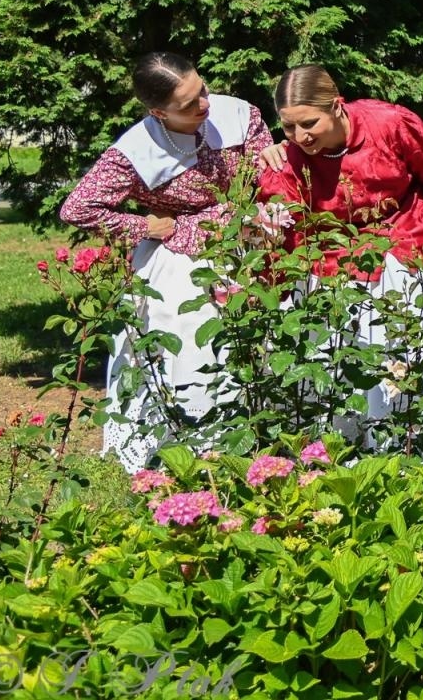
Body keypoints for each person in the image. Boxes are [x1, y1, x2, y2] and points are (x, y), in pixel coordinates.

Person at [259, 65, 423, 455]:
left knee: (420, 353)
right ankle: (363, 450)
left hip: (412, 246)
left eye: (309, 124)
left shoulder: (389, 123)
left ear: (337, 107)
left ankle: (422, 445)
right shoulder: (289, 160)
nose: (300, 137)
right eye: (289, 128)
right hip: (342, 266)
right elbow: (279, 225)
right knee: (356, 365)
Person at [60, 52, 275, 471]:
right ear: (159, 112)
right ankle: (187, 445)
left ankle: (259, 435)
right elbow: (77, 209)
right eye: (190, 103)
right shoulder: (135, 152)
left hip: (247, 244)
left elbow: (268, 178)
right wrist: (143, 227)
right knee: (190, 343)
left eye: (203, 91)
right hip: (181, 260)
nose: (205, 105)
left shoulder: (239, 115)